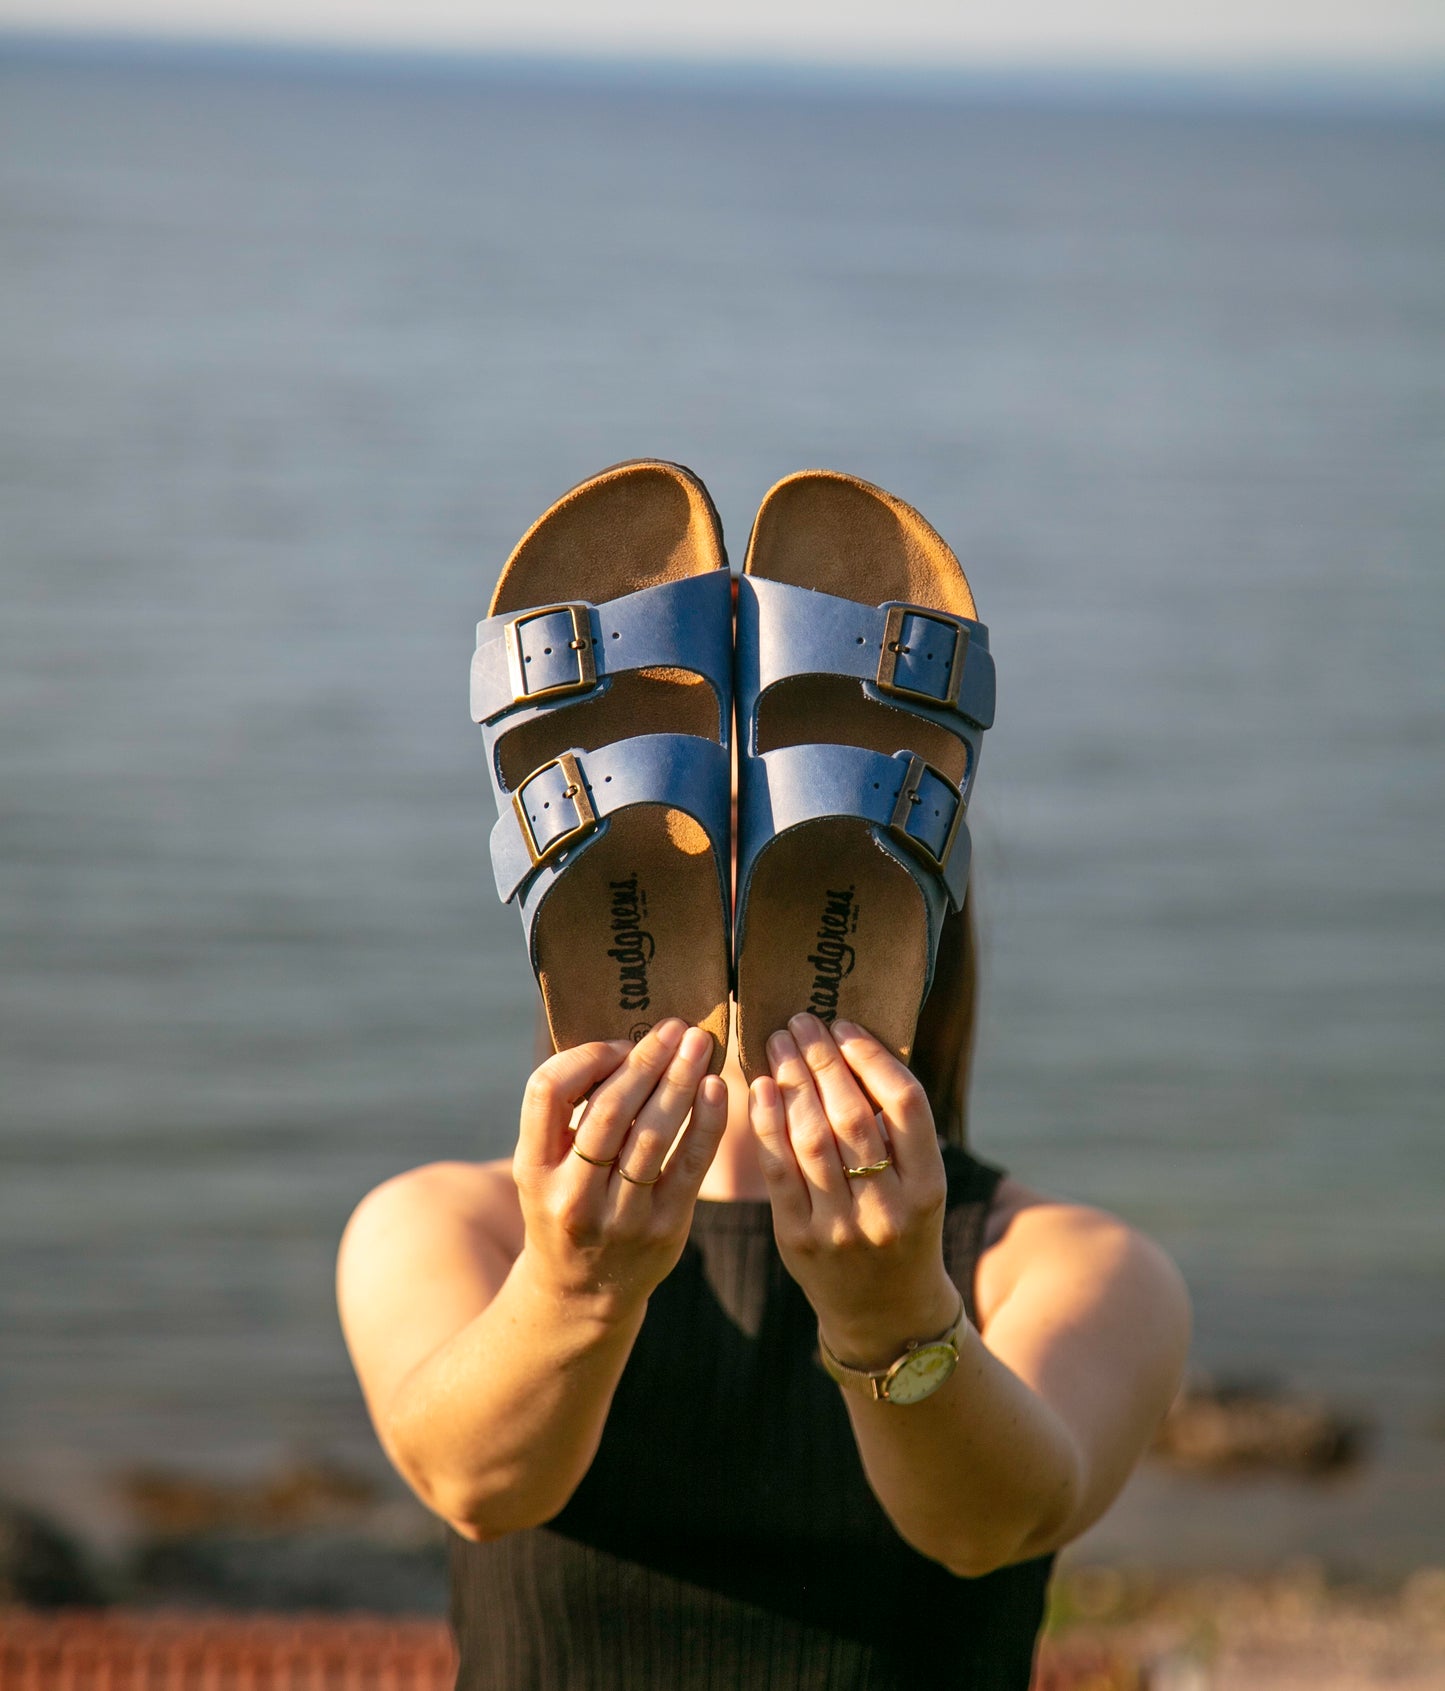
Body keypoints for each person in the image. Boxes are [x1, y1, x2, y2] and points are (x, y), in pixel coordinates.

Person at [336, 900, 1192, 1689]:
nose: (746, 885)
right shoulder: (449, 1221)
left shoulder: (1072, 1263)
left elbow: (987, 1528)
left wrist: (890, 1311)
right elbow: (477, 1483)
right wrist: (573, 1287)